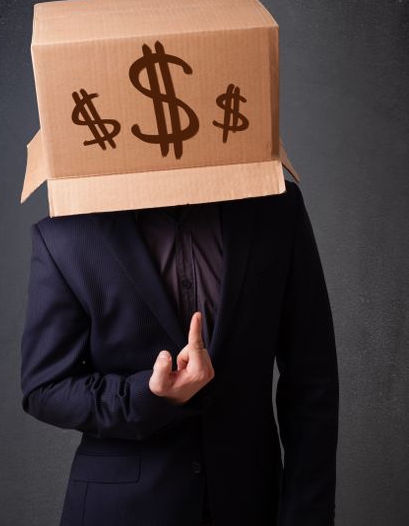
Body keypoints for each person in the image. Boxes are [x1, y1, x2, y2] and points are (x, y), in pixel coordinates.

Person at [20, 179, 339, 526]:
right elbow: (45, 388)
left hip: (252, 503)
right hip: (122, 510)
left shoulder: (274, 206)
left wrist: (308, 515)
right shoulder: (68, 231)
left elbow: (312, 378)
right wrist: (147, 396)